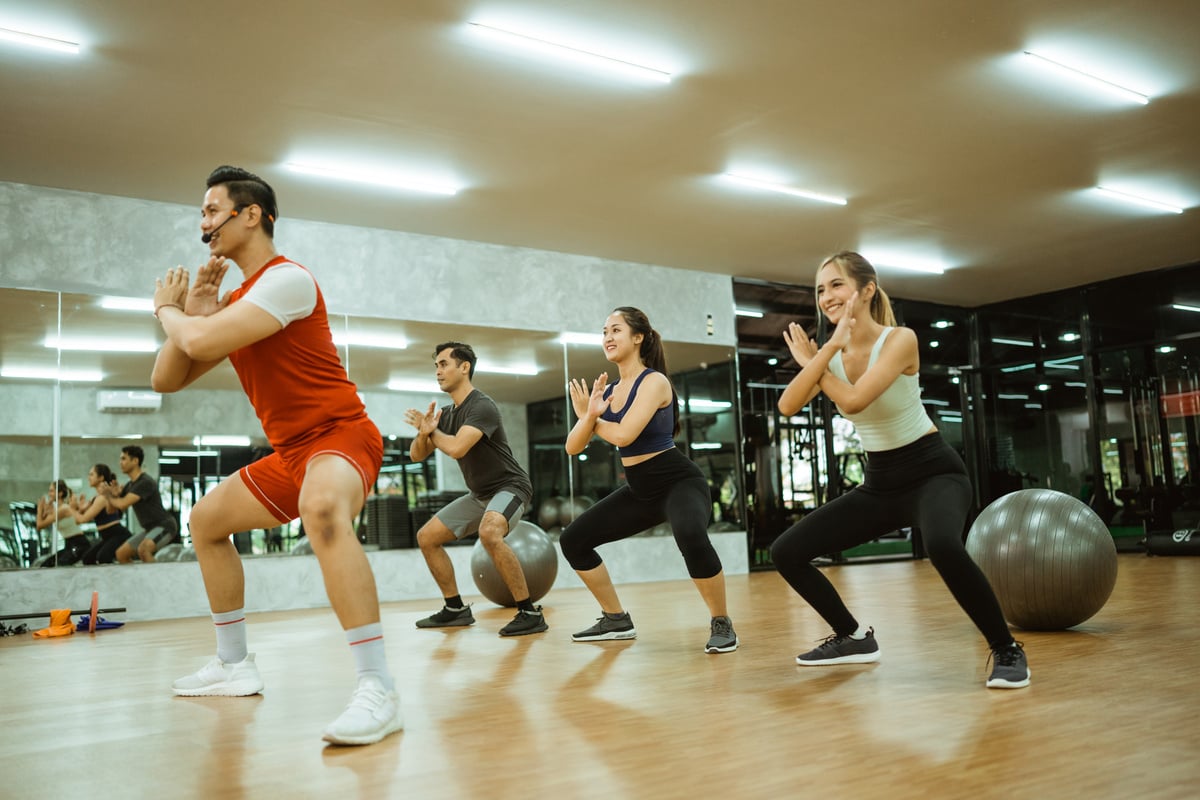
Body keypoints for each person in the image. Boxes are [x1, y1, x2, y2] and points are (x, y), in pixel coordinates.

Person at [149, 165, 401, 745]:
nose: (203, 224)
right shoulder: (238, 300)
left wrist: (171, 310)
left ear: (252, 214)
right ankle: (235, 664)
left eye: (212, 211)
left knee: (322, 512)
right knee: (206, 522)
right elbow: (168, 377)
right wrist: (197, 308)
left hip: (340, 436)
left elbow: (200, 342)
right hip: (292, 453)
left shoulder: (288, 281)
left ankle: (378, 686)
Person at [771, 251, 1030, 689]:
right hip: (880, 483)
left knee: (943, 545)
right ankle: (853, 637)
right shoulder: (829, 357)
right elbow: (786, 405)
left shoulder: (899, 340)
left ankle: (1007, 648)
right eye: (820, 289)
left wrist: (820, 357)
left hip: (934, 472)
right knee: (786, 552)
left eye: (836, 284)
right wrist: (825, 356)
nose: (827, 296)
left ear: (867, 290)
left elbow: (854, 401)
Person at [560, 307, 738, 654]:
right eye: (604, 332)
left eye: (616, 330)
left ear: (638, 337)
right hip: (641, 490)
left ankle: (721, 621)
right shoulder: (608, 392)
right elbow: (572, 446)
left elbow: (624, 435)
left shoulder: (654, 381)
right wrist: (589, 416)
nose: (607, 338)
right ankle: (615, 619)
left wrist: (589, 418)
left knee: (689, 533)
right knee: (573, 540)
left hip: (679, 483)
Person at [405, 342, 547, 637]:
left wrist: (434, 432)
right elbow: (416, 456)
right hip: (479, 494)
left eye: (444, 364)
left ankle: (529, 613)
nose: (438, 371)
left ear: (464, 367)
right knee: (427, 537)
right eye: (436, 366)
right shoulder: (445, 414)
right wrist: (424, 434)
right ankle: (455, 608)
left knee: (489, 532)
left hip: (511, 486)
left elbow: (457, 448)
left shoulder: (482, 406)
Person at [103, 445, 179, 563]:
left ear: (135, 461)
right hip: (149, 528)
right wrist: (113, 496)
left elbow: (123, 504)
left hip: (165, 525)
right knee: (121, 554)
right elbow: (111, 511)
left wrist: (108, 495)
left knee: (144, 550)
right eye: (120, 459)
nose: (120, 463)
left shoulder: (145, 482)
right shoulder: (129, 485)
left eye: (124, 459)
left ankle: (156, 580)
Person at [78, 463, 133, 564]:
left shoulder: (102, 498)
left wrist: (68, 510)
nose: (88, 477)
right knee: (88, 559)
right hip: (107, 536)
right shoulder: (95, 498)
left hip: (118, 534)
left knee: (103, 557)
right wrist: (80, 509)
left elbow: (83, 519)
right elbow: (81, 516)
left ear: (101, 478)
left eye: (91, 474)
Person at [36, 480, 89, 567]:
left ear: (60, 494)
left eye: (52, 491)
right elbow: (42, 522)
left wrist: (39, 509)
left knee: (61, 565)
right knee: (46, 565)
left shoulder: (63, 509)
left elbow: (40, 525)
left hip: (79, 545)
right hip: (69, 545)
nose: (49, 494)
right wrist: (45, 512)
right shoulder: (57, 510)